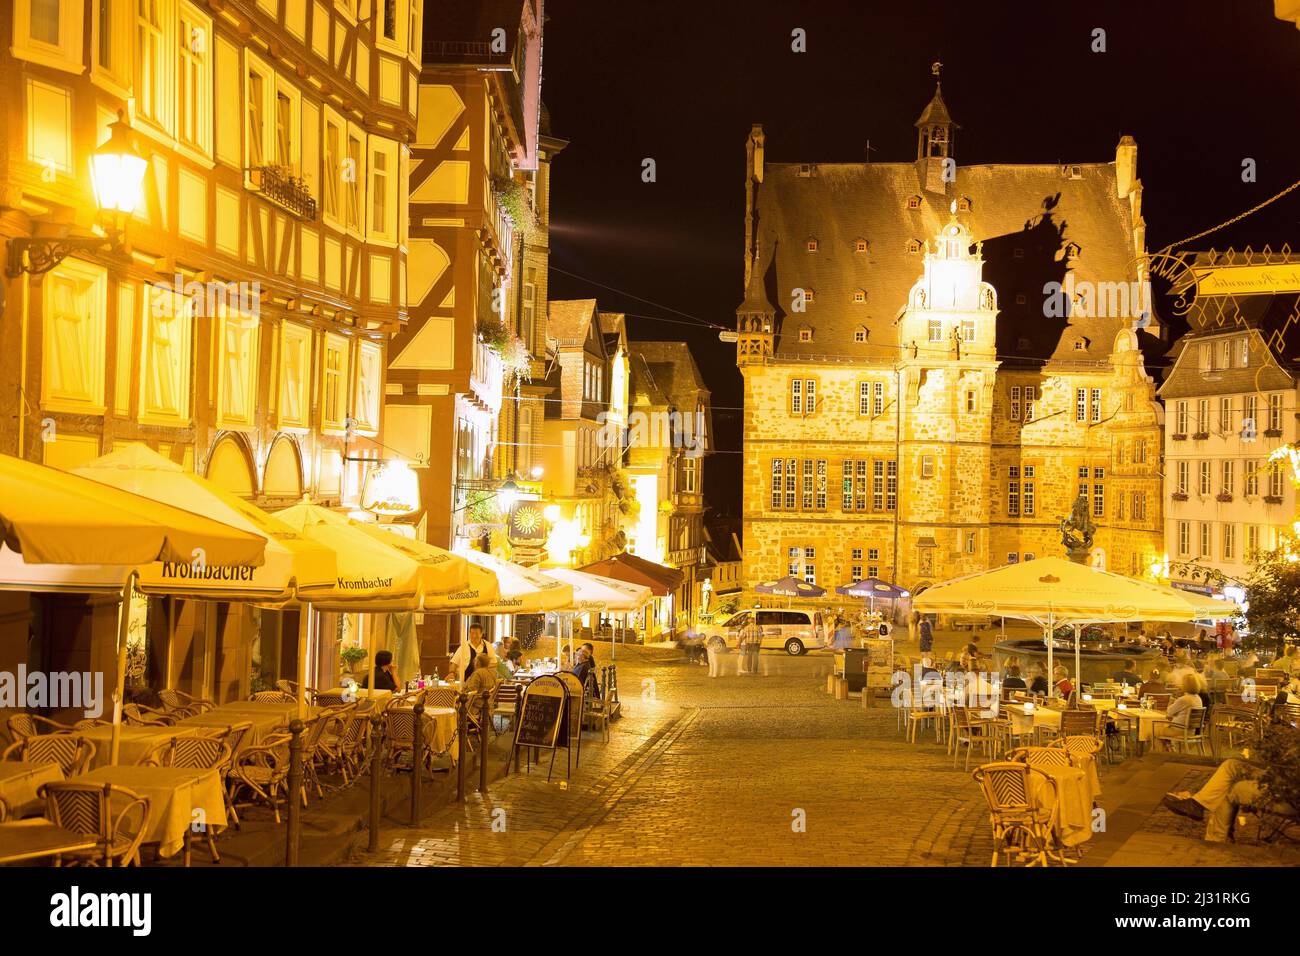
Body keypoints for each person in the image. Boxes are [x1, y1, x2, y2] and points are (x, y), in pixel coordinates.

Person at [1163, 755, 1296, 843]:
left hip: (1288, 795)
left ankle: (1217, 840)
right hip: (1281, 782)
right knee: (1231, 765)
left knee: (1229, 788)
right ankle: (1197, 804)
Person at [1154, 674, 1205, 749]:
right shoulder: (1198, 699)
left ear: (1185, 685)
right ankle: (1170, 749)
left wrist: (1171, 701)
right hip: (1191, 730)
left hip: (1179, 730)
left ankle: (1162, 755)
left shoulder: (1184, 699)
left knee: (1154, 731)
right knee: (1163, 732)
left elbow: (1169, 712)